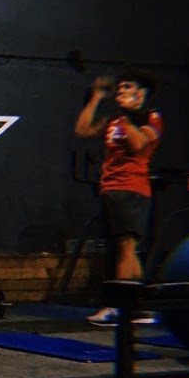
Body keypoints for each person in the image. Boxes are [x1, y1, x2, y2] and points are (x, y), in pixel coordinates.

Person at [74, 69, 162, 327]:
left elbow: (137, 144)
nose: (121, 91)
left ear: (141, 93)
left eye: (127, 87)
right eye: (120, 87)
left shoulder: (151, 117)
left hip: (131, 189)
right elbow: (82, 130)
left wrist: (126, 115)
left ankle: (117, 306)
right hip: (110, 188)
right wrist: (96, 98)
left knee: (125, 249)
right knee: (125, 250)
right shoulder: (115, 119)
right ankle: (140, 307)